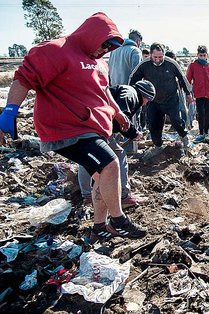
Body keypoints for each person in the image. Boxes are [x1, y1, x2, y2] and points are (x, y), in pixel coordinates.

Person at [0, 12, 147, 241]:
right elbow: (23, 78)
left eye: (110, 47)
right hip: (66, 128)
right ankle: (120, 221)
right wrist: (10, 111)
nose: (104, 50)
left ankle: (100, 226)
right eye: (104, 44)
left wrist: (118, 114)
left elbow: (104, 91)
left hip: (93, 127)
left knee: (102, 176)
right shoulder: (56, 50)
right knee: (110, 164)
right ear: (92, 35)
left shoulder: (99, 63)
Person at [78, 80, 156, 207]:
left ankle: (87, 196)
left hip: (88, 122)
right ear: (146, 96)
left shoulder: (125, 91)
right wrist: (134, 133)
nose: (146, 103)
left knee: (87, 158)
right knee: (119, 155)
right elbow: (121, 117)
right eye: (148, 100)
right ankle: (124, 196)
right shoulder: (130, 94)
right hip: (99, 126)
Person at [129, 43, 193, 159]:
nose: (158, 60)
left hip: (171, 99)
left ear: (163, 54)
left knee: (176, 120)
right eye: (155, 57)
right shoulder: (144, 65)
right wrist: (132, 92)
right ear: (150, 55)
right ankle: (158, 146)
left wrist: (188, 93)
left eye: (160, 57)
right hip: (153, 101)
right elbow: (133, 78)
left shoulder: (171, 63)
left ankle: (184, 136)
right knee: (153, 125)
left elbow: (181, 77)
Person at [186, 45, 209, 143]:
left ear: (207, 55)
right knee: (201, 113)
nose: (202, 57)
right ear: (197, 55)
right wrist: (189, 92)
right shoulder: (193, 65)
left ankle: (206, 131)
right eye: (200, 55)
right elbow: (188, 79)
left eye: (204, 55)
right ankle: (201, 133)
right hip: (199, 94)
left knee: (208, 113)